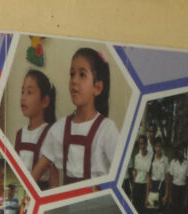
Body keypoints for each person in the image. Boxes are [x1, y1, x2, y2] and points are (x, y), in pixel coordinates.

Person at [32, 47, 119, 186]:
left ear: (97, 88)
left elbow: (120, 176)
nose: (74, 80)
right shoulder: (59, 129)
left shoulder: (107, 130)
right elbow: (36, 173)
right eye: (72, 74)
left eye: (82, 75)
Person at [15, 69, 56, 189]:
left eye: (29, 92)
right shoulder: (19, 134)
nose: (23, 97)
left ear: (45, 101)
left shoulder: (50, 133)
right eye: (22, 92)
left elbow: (54, 180)